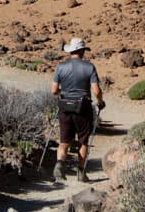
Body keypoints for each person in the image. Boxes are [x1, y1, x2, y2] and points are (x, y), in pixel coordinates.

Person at [50, 37, 104, 182]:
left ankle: (60, 164)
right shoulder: (89, 67)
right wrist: (100, 102)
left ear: (71, 51)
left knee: (64, 141)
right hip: (83, 107)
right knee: (83, 141)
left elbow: (54, 90)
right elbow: (96, 90)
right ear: (82, 51)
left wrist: (65, 92)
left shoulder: (60, 66)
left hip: (64, 106)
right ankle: (81, 173)